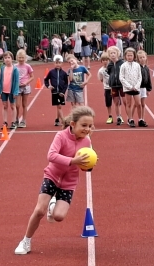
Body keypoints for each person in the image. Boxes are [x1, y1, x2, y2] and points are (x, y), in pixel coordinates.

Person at [14, 106, 95, 255]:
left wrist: (89, 166)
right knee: (39, 210)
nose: (87, 129)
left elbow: (84, 167)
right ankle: (26, 241)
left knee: (59, 216)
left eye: (90, 126)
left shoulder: (87, 142)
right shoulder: (61, 136)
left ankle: (53, 206)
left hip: (69, 183)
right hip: (52, 176)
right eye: (84, 125)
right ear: (73, 124)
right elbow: (51, 155)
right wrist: (72, 161)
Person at [119, 47, 142, 127]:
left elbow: (140, 77)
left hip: (136, 88)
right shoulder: (123, 66)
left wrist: (136, 86)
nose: (129, 57)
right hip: (127, 88)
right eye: (128, 55)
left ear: (134, 56)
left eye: (131, 55)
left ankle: (140, 119)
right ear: (125, 56)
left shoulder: (137, 65)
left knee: (138, 103)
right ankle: (130, 119)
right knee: (128, 104)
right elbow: (121, 78)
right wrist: (129, 86)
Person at [45, 55, 69, 127]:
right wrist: (48, 86)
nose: (58, 64)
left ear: (62, 63)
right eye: (56, 63)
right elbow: (46, 80)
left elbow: (66, 83)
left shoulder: (64, 73)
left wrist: (63, 92)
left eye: (59, 63)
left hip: (61, 92)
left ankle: (57, 119)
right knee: (59, 106)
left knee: (58, 106)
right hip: (54, 92)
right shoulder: (51, 72)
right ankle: (63, 121)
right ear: (54, 63)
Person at [0, 51, 19, 129]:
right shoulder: (2, 68)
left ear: (12, 59)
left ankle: (13, 122)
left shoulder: (15, 69)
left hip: (11, 91)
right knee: (5, 106)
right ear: (3, 59)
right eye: (5, 58)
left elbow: (16, 81)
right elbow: (0, 80)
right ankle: (5, 122)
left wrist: (15, 92)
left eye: (8, 57)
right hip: (3, 91)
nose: (7, 59)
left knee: (13, 106)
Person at [14, 49, 34, 128]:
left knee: (24, 104)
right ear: (17, 57)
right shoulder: (15, 66)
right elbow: (12, 77)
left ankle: (23, 121)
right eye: (20, 57)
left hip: (26, 87)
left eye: (22, 57)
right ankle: (16, 119)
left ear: (25, 58)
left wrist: (26, 82)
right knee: (17, 105)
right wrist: (15, 83)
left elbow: (32, 77)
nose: (21, 59)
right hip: (17, 87)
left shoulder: (28, 66)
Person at [106, 45, 124, 125]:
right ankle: (118, 117)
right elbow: (109, 73)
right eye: (111, 53)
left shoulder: (122, 63)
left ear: (117, 54)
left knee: (126, 102)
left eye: (114, 53)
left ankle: (129, 118)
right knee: (116, 102)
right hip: (113, 86)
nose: (113, 55)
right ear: (109, 55)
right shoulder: (109, 65)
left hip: (122, 85)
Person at [97, 53, 113, 124]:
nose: (105, 62)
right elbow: (101, 79)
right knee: (108, 103)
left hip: (114, 88)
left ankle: (119, 116)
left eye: (106, 60)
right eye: (103, 60)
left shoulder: (112, 68)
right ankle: (110, 116)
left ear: (109, 60)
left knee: (117, 102)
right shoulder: (100, 70)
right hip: (107, 88)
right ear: (101, 61)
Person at [136, 49, 151, 127]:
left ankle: (142, 118)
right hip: (138, 88)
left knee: (143, 104)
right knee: (136, 104)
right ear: (138, 59)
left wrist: (148, 89)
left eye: (143, 57)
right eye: (140, 58)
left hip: (144, 88)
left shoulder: (146, 68)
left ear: (146, 58)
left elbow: (148, 79)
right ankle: (130, 118)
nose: (142, 59)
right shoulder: (137, 67)